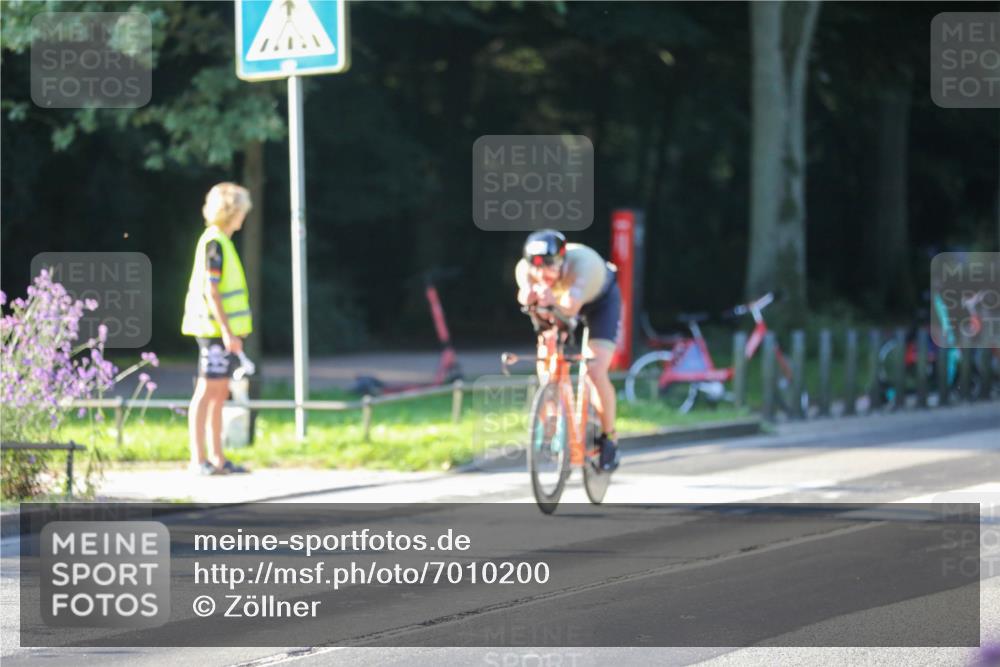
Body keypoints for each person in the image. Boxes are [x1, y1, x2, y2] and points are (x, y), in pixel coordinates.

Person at [515, 229, 622, 471]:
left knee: (594, 370)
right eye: (537, 269)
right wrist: (530, 297)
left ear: (563, 260)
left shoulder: (584, 264)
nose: (543, 274)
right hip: (557, 303)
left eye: (550, 267)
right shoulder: (525, 269)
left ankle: (610, 437)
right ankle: (553, 416)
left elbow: (570, 308)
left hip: (599, 304)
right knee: (547, 357)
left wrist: (547, 299)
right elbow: (523, 296)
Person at [181, 183, 253, 475]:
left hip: (222, 333)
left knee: (220, 392)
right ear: (232, 211)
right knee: (206, 390)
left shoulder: (222, 241)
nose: (244, 216)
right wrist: (226, 332)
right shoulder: (214, 243)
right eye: (242, 211)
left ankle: (218, 458)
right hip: (212, 331)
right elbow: (213, 291)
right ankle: (198, 460)